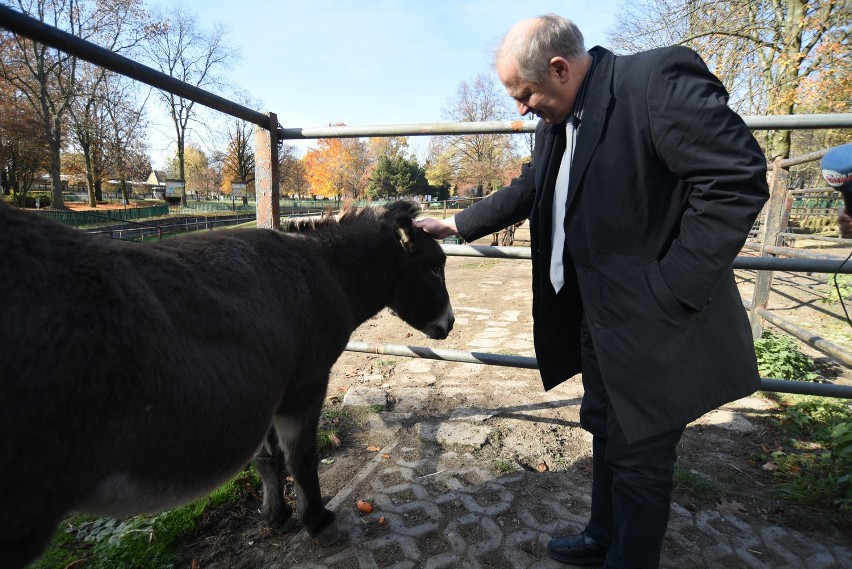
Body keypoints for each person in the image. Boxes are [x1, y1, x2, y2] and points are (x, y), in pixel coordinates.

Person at [415, 14, 769, 569]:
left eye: (524, 93)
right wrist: (457, 223)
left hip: (652, 318)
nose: (521, 108)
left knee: (641, 457)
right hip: (594, 313)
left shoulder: (654, 81)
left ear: (559, 68)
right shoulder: (559, 115)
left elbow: (736, 179)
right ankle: (602, 536)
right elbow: (535, 184)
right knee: (605, 427)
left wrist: (672, 289)